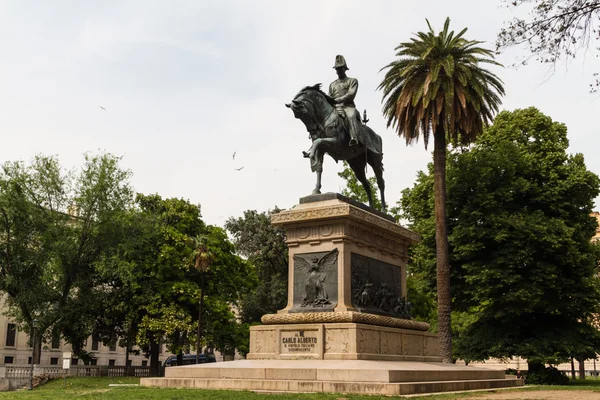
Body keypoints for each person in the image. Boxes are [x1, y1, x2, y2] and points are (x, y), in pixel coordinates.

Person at [329, 55, 360, 146]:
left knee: (351, 115)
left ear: (345, 68)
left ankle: (354, 138)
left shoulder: (352, 81)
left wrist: (337, 100)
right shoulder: (332, 85)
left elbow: (351, 95)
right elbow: (329, 97)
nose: (338, 71)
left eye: (340, 68)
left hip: (348, 107)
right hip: (335, 108)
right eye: (337, 69)